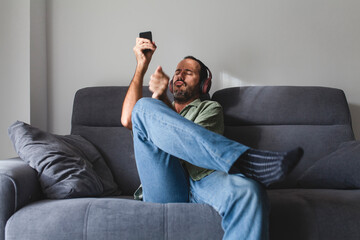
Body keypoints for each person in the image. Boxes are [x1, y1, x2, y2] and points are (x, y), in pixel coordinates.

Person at [121, 37, 303, 240]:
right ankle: (243, 160)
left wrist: (163, 100)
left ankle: (241, 162)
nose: (180, 76)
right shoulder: (156, 112)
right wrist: (141, 66)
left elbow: (190, 149)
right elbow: (128, 118)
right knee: (144, 106)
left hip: (204, 178)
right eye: (177, 72)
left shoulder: (210, 108)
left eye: (188, 73)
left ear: (204, 84)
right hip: (165, 183)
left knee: (250, 192)